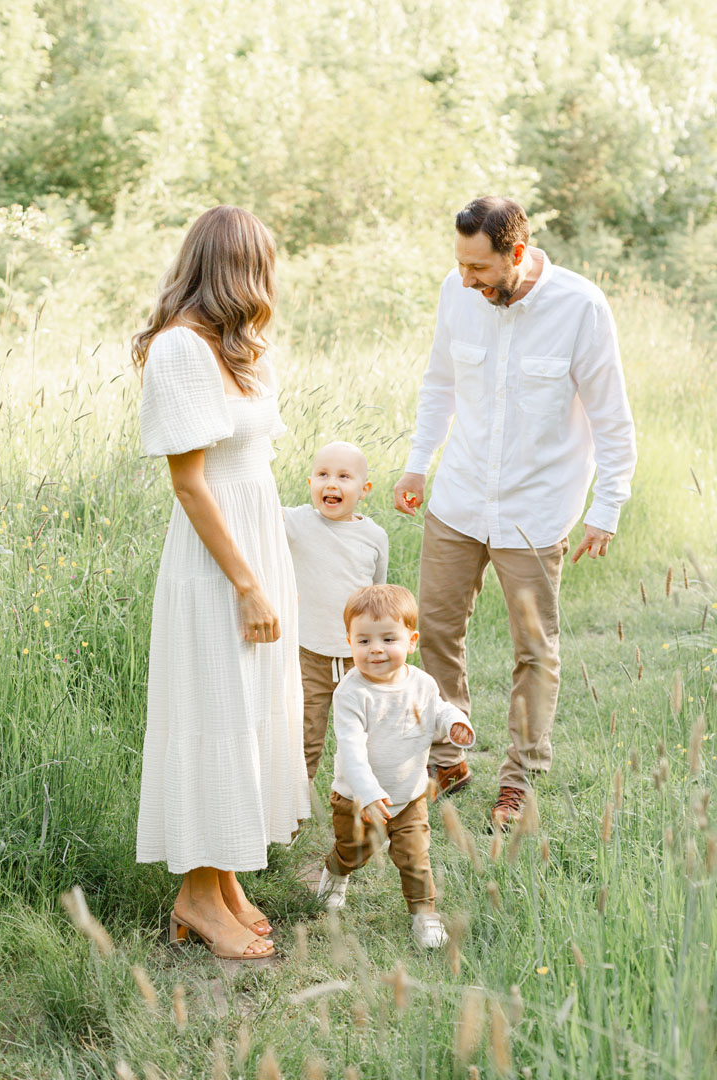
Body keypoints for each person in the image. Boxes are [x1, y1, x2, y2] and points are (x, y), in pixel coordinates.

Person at [393, 196, 637, 829]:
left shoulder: (580, 307)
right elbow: (439, 382)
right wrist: (420, 460)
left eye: (479, 268)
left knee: (533, 648)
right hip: (459, 497)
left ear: (517, 254)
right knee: (437, 632)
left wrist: (606, 506)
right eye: (461, 265)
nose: (466, 280)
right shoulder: (457, 292)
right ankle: (448, 757)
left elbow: (612, 417)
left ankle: (519, 779)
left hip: (536, 509)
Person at [132, 205, 310, 960]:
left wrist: (270, 569)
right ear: (237, 269)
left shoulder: (238, 348)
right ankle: (197, 896)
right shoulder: (179, 351)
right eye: (263, 265)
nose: (271, 278)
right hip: (218, 561)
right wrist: (246, 583)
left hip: (257, 539)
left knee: (252, 709)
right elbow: (192, 484)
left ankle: (227, 876)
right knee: (217, 709)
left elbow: (253, 460)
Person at [317, 584, 475, 948]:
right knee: (354, 852)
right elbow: (352, 751)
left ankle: (425, 915)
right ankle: (336, 871)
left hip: (409, 795)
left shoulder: (421, 683)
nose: (375, 649)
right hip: (356, 798)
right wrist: (368, 794)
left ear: (412, 640)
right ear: (350, 642)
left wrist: (454, 722)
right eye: (364, 641)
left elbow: (436, 710)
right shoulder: (350, 693)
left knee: (415, 858)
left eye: (388, 638)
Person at [283, 441, 388, 782]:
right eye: (323, 475)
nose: (332, 483)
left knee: (362, 738)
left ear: (364, 489)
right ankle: (296, 806)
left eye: (344, 476)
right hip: (308, 655)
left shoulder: (374, 536)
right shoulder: (298, 523)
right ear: (310, 483)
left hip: (357, 660)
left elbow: (377, 596)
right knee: (304, 737)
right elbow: (254, 511)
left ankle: (364, 800)